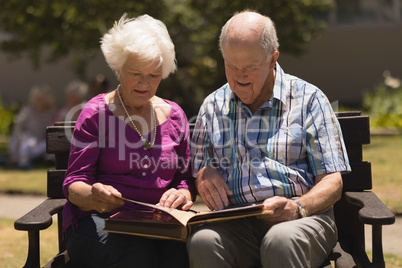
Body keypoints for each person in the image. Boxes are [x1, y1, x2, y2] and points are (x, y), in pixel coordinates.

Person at [189, 10, 351, 268]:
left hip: (301, 220)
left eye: (251, 67)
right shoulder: (212, 106)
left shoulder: (308, 99)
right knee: (204, 240)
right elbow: (199, 169)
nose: (239, 76)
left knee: (279, 240)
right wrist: (204, 174)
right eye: (231, 65)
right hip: (237, 224)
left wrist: (297, 206)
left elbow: (333, 181)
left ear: (273, 58)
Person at [62, 14, 195, 268]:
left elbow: (185, 178)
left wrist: (182, 193)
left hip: (159, 225)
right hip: (100, 221)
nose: (144, 84)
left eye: (154, 76)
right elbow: (73, 183)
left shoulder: (175, 115)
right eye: (135, 74)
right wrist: (93, 195)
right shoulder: (97, 113)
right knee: (137, 256)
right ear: (118, 68)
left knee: (179, 257)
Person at [8, 85, 56, 169]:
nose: (39, 101)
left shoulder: (51, 113)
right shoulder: (27, 111)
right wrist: (18, 140)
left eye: (42, 99)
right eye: (37, 99)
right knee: (29, 142)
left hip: (42, 143)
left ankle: (24, 160)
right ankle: (22, 160)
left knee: (48, 145)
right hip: (25, 141)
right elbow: (18, 129)